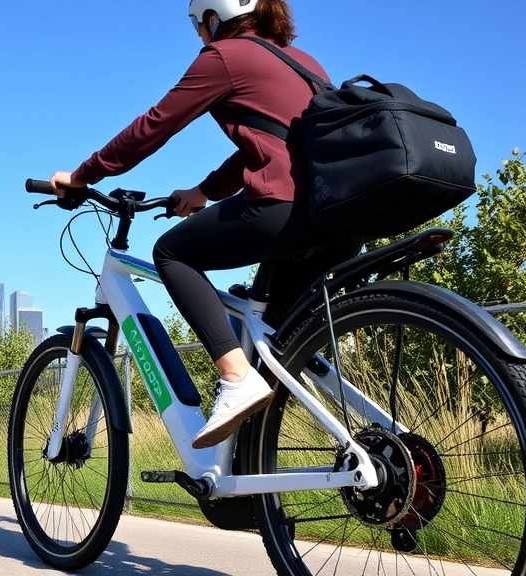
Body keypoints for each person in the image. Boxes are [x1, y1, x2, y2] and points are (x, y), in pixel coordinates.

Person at [49, 0, 363, 449]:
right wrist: (204, 191)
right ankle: (250, 471)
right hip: (338, 218)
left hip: (285, 208)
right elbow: (278, 144)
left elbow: (154, 126)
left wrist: (82, 176)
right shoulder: (304, 63)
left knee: (172, 253)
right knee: (273, 337)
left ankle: (233, 378)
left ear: (215, 18)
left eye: (198, 24)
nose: (198, 35)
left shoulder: (225, 56)